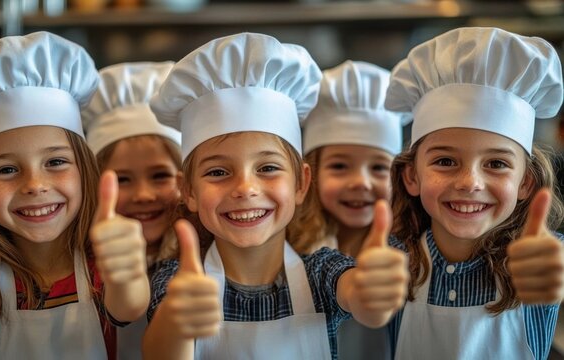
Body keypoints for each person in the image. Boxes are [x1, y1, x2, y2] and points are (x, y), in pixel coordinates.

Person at [141, 32, 409, 360]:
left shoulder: (322, 272)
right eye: (218, 172)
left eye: (267, 168)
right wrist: (177, 321)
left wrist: (373, 293)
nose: (245, 188)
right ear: (188, 191)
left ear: (301, 183)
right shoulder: (176, 279)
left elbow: (362, 300)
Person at [0, 32, 149, 360]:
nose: (34, 184)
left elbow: (128, 306)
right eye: (6, 170)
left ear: (84, 170)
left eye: (56, 162)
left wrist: (129, 272)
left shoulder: (99, 265)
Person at [384, 27, 564, 360]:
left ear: (525, 182)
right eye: (445, 160)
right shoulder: (392, 259)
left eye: (496, 163)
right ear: (411, 175)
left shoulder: (544, 255)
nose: (470, 182)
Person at [290, 60, 410, 359]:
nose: (360, 182)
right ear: (310, 174)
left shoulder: (411, 249)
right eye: (340, 166)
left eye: (379, 167)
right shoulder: (290, 249)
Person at [82, 61, 182, 360]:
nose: (143, 195)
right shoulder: (81, 266)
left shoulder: (210, 255)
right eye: (122, 179)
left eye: (160, 176)